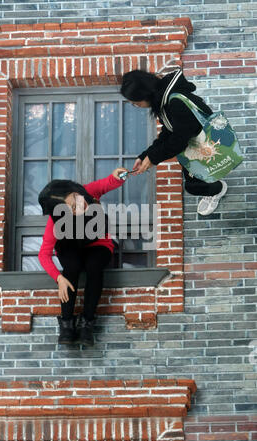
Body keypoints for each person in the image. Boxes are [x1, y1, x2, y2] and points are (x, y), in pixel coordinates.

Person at [120, 68, 227, 216]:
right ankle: (212, 184)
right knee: (193, 181)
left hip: (207, 145)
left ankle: (218, 189)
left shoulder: (175, 102)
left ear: (145, 94)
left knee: (193, 186)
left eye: (135, 102)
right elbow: (168, 131)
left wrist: (153, 158)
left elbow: (178, 140)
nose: (135, 106)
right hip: (195, 145)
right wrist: (146, 155)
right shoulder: (164, 100)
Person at [38, 168, 127, 347]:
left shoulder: (85, 193)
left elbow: (106, 183)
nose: (79, 204)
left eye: (75, 199)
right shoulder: (56, 222)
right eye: (71, 208)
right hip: (71, 246)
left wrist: (117, 177)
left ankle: (87, 323)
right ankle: (67, 323)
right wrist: (59, 278)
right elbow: (44, 254)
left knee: (94, 266)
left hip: (97, 245)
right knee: (71, 268)